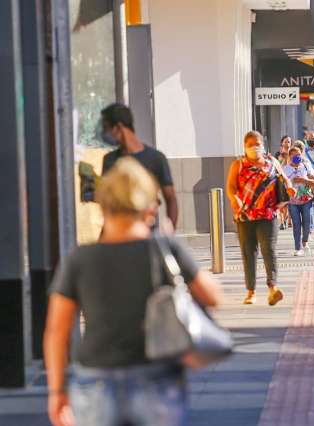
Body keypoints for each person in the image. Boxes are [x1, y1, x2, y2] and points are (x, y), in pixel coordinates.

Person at [44, 158, 222, 426]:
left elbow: (57, 331)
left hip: (95, 379)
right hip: (157, 376)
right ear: (150, 207)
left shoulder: (79, 259)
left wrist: (57, 391)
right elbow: (213, 297)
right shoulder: (165, 250)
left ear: (103, 205)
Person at [226, 131, 290, 306]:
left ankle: (273, 288)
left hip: (268, 215)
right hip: (245, 216)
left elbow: (285, 180)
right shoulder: (238, 165)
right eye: (251, 144)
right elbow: (231, 187)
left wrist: (289, 189)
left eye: (258, 143)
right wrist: (235, 199)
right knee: (249, 253)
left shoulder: (272, 162)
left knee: (269, 250)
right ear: (245, 147)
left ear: (263, 144)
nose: (255, 147)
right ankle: (251, 291)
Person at [100, 103, 178, 229]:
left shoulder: (156, 159)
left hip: (146, 237)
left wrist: (169, 233)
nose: (104, 133)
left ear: (119, 127)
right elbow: (106, 202)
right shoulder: (109, 160)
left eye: (106, 128)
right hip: (117, 236)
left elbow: (171, 198)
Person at [283, 146, 314, 256]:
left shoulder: (306, 166)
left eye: (299, 154)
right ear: (290, 156)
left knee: (307, 222)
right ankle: (297, 248)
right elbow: (283, 185)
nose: (297, 157)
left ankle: (305, 241)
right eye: (294, 155)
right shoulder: (285, 169)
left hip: (306, 199)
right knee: (296, 224)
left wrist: (303, 180)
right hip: (293, 201)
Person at [276, 136, 292, 230]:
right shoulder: (278, 154)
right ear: (282, 143)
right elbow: (277, 166)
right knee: (282, 203)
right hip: (280, 180)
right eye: (285, 142)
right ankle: (282, 221)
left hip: (289, 180)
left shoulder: (293, 153)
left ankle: (285, 220)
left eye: (289, 142)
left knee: (286, 203)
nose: (287, 144)